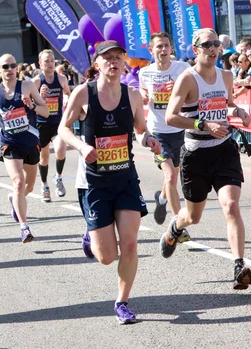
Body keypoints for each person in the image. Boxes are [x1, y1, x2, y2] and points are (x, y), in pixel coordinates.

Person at [58, 40, 161, 324]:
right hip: (94, 182)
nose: (113, 63)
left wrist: (148, 140)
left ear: (124, 62)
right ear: (97, 64)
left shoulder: (133, 96)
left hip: (125, 178)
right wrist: (81, 147)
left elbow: (140, 129)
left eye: (118, 57)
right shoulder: (84, 93)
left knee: (129, 245)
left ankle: (122, 302)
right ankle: (91, 236)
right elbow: (63, 128)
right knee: (106, 256)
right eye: (108, 58)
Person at [159, 28, 251, 290]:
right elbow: (170, 117)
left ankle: (239, 265)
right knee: (193, 216)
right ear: (196, 50)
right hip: (195, 155)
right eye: (207, 45)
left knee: (231, 205)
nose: (213, 49)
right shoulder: (187, 79)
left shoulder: (225, 75)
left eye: (216, 44)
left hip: (223, 150)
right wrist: (203, 124)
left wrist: (239, 111)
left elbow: (228, 104)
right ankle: (176, 227)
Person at [0, 54, 49, 243]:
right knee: (18, 181)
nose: (10, 69)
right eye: (5, 66)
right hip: (9, 143)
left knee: (28, 186)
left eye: (13, 65)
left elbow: (46, 111)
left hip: (30, 142)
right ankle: (24, 227)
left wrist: (33, 105)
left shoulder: (27, 86)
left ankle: (14, 199)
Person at [139, 31, 190, 225]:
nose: (163, 50)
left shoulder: (183, 68)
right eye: (159, 46)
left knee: (173, 176)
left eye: (166, 45)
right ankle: (177, 225)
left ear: (171, 48)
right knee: (170, 175)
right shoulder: (145, 72)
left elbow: (194, 92)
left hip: (180, 129)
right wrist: (143, 95)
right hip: (158, 131)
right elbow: (143, 90)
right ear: (152, 50)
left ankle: (161, 199)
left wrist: (178, 88)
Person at [31, 49, 72, 202]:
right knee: (44, 157)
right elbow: (29, 104)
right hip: (41, 124)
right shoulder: (36, 81)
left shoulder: (61, 79)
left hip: (57, 122)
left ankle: (59, 178)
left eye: (52, 60)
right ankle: (44, 186)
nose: (50, 63)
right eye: (46, 61)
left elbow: (68, 93)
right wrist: (39, 97)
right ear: (40, 63)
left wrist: (70, 107)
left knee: (61, 150)